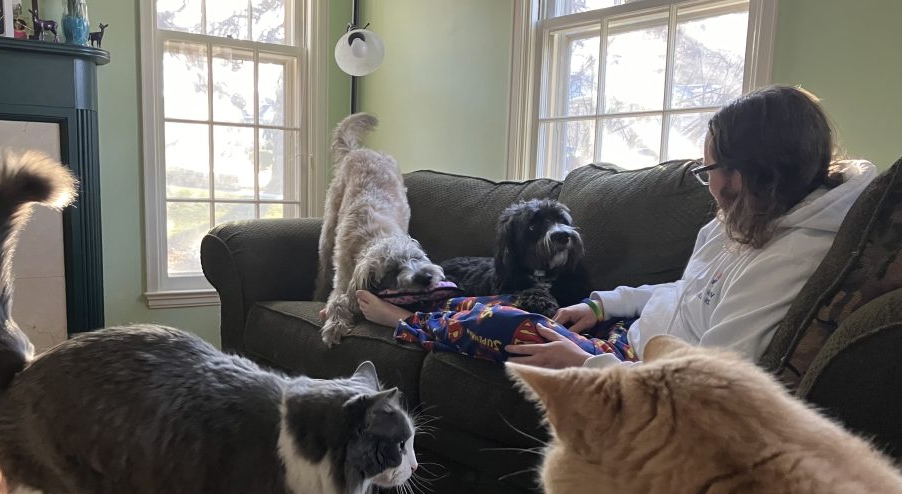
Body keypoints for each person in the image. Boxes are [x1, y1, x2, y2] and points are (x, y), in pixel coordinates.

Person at [357, 85, 877, 370]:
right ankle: (437, 308)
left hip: (642, 369)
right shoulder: (740, 223)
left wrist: (582, 365)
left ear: (749, 174)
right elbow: (691, 291)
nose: (709, 186)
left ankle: (398, 322)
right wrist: (604, 304)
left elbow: (709, 385)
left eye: (711, 170)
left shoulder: (793, 257)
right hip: (630, 337)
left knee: (510, 325)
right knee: (504, 306)